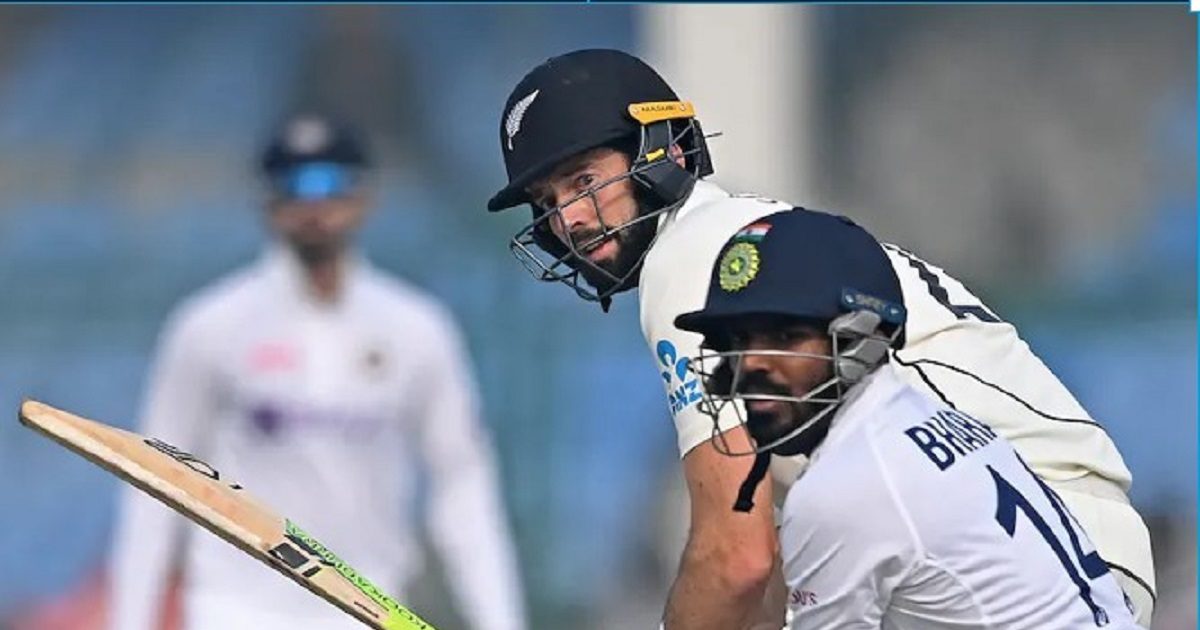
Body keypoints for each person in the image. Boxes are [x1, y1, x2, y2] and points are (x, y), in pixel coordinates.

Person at [485, 48, 1154, 628]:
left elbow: (734, 557)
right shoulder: (751, 238)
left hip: (1025, 552)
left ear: (665, 152)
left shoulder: (694, 259)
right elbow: (764, 572)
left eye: (584, 180)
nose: (568, 218)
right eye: (547, 202)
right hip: (1057, 552)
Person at [110, 113, 527, 630]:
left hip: (367, 606)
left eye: (330, 183)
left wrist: (502, 622)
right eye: (292, 187)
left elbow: (462, 485)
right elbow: (155, 483)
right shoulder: (208, 325)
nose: (313, 205)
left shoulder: (417, 329)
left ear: (364, 196)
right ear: (266, 202)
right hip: (237, 608)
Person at [672, 207, 1140, 629]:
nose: (753, 363)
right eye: (739, 339)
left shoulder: (842, 487)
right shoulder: (918, 415)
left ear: (864, 337)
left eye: (787, 336)